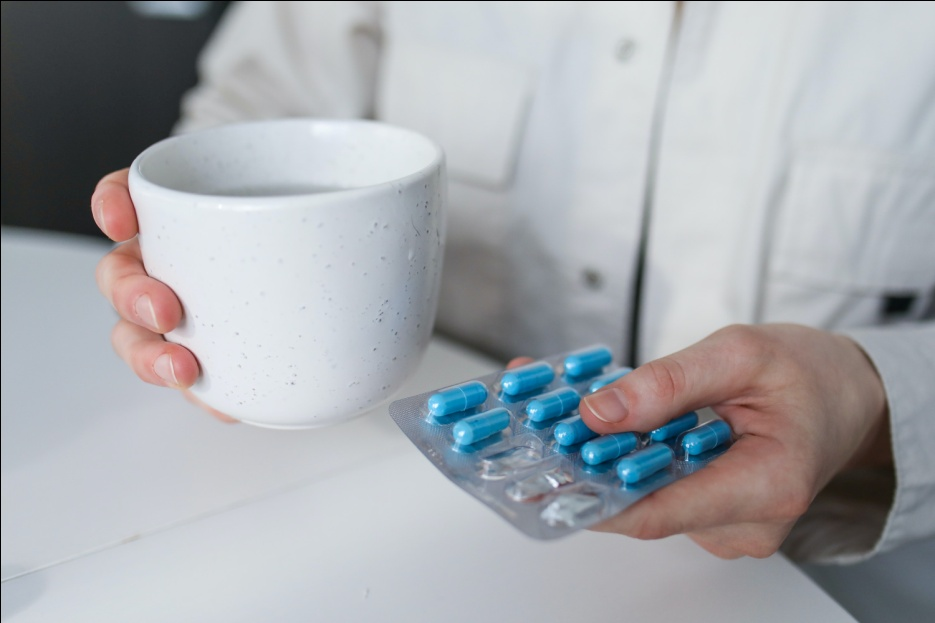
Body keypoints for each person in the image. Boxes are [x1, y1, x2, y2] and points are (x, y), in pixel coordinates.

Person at [91, 2, 934, 563]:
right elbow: (246, 118)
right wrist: (180, 248)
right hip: (380, 527)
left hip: (821, 574)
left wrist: (872, 397)